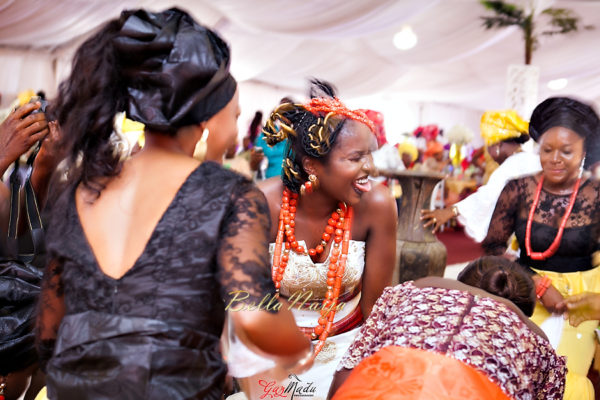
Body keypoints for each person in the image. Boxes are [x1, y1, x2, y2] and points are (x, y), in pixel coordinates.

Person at [35, 8, 311, 399]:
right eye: (232, 113)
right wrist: (300, 347)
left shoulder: (79, 191)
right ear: (208, 114)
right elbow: (255, 317)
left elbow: (48, 333)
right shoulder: (230, 195)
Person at [225, 80, 397, 400]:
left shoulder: (377, 204)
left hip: (346, 351)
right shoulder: (262, 203)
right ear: (312, 166)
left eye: (369, 156)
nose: (369, 168)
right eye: (355, 158)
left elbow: (376, 313)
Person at [481, 97, 600, 400]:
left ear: (584, 151)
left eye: (567, 151)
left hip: (583, 300)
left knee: (565, 379)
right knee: (511, 372)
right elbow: (493, 248)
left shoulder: (595, 196)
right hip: (524, 288)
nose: (555, 158)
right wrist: (537, 283)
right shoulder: (518, 189)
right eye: (547, 150)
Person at [329, 256, 565, 399]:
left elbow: (349, 366)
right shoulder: (539, 345)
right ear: (524, 312)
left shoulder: (407, 292)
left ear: (459, 284)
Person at [421, 110, 541, 239]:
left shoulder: (511, 165)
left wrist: (450, 211)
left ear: (497, 145)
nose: (488, 152)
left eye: (488, 146)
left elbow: (487, 197)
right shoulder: (529, 159)